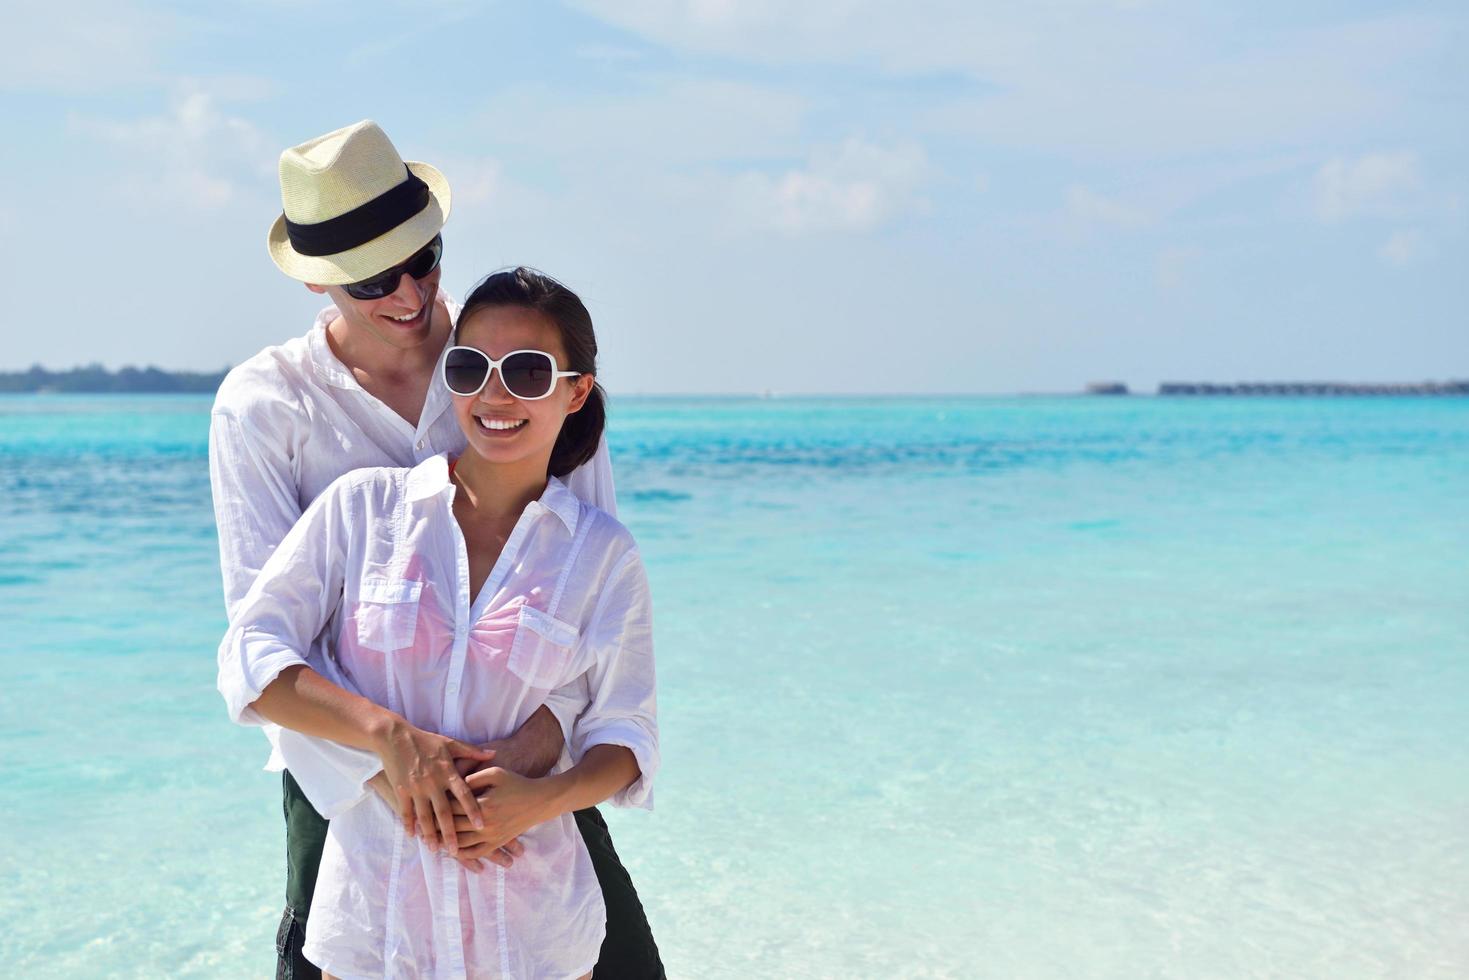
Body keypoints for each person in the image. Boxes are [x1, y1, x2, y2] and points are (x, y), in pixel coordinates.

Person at [209, 120, 663, 977]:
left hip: (517, 764)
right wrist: (401, 775)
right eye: (376, 277)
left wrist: (517, 771)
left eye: (424, 259)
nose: (410, 292)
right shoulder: (264, 407)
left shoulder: (526, 367)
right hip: (344, 775)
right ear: (317, 279)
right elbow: (262, 636)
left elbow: (583, 594)